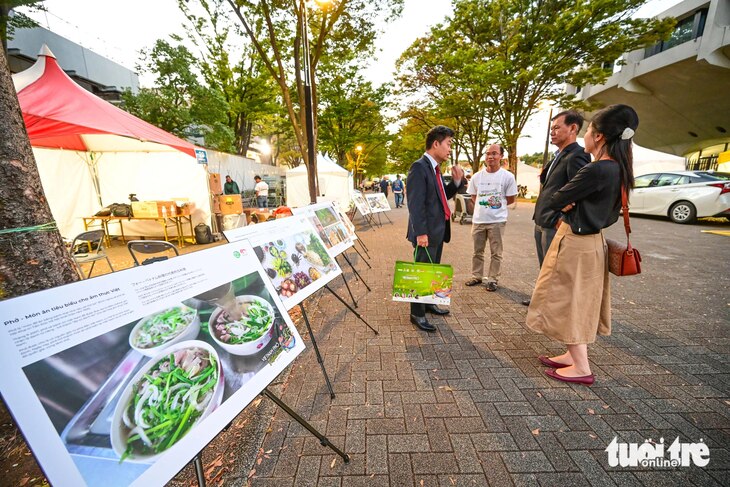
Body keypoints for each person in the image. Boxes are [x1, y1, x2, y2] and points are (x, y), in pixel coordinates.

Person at [526, 104, 638, 386]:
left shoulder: (597, 169)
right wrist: (572, 200)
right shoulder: (618, 169)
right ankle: (571, 356)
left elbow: (554, 198)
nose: (587, 135)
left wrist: (568, 201)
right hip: (592, 241)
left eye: (589, 130)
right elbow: (605, 210)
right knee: (577, 300)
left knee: (569, 300)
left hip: (577, 242)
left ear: (599, 137)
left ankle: (581, 368)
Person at [523, 110, 590, 305]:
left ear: (573, 128)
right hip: (541, 219)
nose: (552, 132)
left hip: (554, 222)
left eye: (556, 128)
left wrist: (561, 216)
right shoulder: (559, 155)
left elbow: (579, 190)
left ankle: (554, 306)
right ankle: (543, 299)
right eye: (551, 129)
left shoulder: (578, 156)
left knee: (555, 267)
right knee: (545, 266)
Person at [406, 125, 465, 332]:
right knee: (422, 270)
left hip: (438, 230)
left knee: (432, 270)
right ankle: (417, 313)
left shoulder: (435, 168)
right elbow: (415, 204)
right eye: (448, 144)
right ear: (436, 143)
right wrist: (421, 232)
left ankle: (429, 303)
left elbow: (440, 197)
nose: (450, 149)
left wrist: (457, 182)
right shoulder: (419, 167)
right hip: (427, 232)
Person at [464, 144, 517, 292]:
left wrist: (496, 207)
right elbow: (474, 196)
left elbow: (511, 199)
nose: (490, 157)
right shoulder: (476, 176)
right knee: (477, 251)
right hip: (479, 220)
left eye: (494, 153)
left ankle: (493, 279)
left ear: (501, 156)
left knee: (496, 253)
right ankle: (477, 276)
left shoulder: (507, 176)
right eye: (488, 154)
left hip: (497, 221)